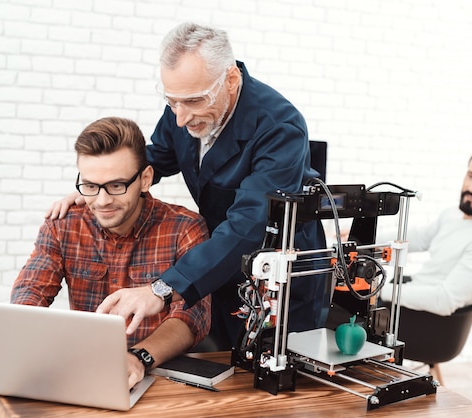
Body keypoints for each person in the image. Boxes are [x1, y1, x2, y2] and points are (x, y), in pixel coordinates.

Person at [48, 22, 329, 350]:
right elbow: (158, 158)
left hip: (280, 275)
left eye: (193, 101)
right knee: (224, 363)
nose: (180, 119)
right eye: (172, 103)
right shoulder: (184, 108)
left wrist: (162, 289)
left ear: (231, 79)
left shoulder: (279, 127)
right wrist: (104, 188)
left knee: (275, 373)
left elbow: (249, 225)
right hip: (217, 264)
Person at [11, 116, 211, 388]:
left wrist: (137, 357)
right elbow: (31, 292)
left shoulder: (185, 228)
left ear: (145, 179)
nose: (102, 201)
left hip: (162, 377)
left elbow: (191, 316)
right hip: (87, 375)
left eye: (116, 186)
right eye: (91, 186)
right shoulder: (63, 225)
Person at [379, 146, 472, 315]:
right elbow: (419, 238)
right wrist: (363, 237)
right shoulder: (453, 215)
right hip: (407, 295)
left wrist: (379, 291)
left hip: (419, 320)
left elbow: (444, 301)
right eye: (471, 176)